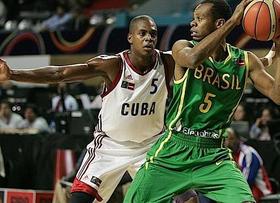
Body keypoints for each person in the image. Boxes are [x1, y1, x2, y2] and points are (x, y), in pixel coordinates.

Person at [0, 15, 198, 203]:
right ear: (130, 37)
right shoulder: (112, 65)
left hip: (151, 146)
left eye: (153, 34)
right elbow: (60, 73)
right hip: (110, 146)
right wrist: (13, 74)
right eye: (143, 33)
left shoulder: (168, 61)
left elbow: (201, 54)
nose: (148, 38)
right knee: (78, 199)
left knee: (188, 197)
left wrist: (227, 25)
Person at [124, 0, 280, 202]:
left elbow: (277, 95)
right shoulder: (183, 47)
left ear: (218, 23)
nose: (192, 23)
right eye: (193, 19)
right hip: (173, 149)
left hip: (214, 154)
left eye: (199, 18)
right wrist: (233, 22)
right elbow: (192, 60)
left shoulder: (245, 60)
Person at [225, 127, 272, 202]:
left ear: (238, 139)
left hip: (258, 190)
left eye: (231, 139)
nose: (228, 142)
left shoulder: (248, 153)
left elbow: (247, 181)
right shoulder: (226, 154)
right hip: (238, 190)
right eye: (225, 139)